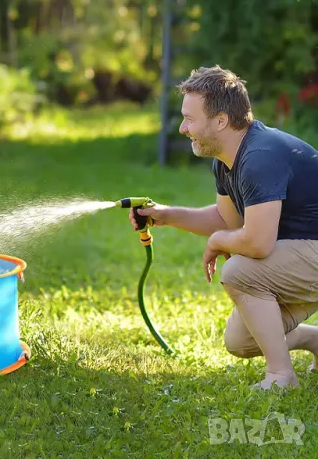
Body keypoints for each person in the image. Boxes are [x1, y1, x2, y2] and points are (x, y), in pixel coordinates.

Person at [129, 65, 318, 391]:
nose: (182, 128)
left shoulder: (259, 157)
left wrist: (218, 242)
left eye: (189, 119)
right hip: (305, 254)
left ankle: (281, 376)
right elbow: (229, 221)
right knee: (241, 340)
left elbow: (257, 243)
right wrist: (166, 215)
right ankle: (315, 340)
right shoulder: (227, 161)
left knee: (238, 272)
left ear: (220, 121)